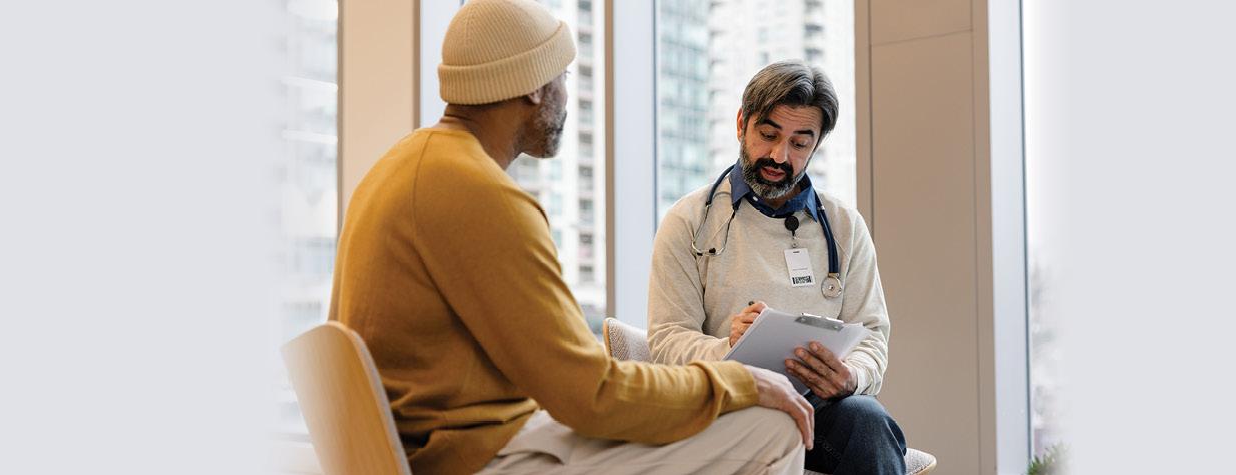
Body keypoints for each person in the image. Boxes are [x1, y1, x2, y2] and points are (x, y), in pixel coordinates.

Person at [328, 1, 812, 473]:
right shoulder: (481, 195)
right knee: (771, 427)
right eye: (562, 76)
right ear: (535, 87)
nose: (566, 92)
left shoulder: (401, 165)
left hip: (449, 440)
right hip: (475, 457)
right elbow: (590, 395)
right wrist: (738, 382)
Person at [647, 60, 906, 474]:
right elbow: (666, 340)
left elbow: (872, 334)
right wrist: (728, 350)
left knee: (868, 423)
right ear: (741, 124)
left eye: (800, 143)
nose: (778, 155)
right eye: (768, 135)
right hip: (727, 403)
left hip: (817, 407)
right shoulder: (690, 221)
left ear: (816, 145)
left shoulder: (843, 227)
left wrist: (849, 377)